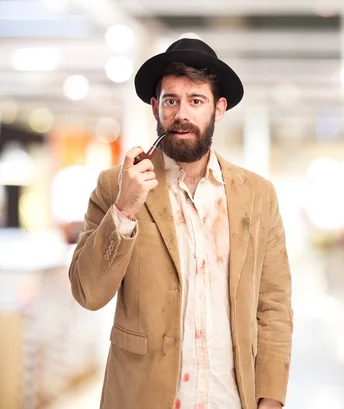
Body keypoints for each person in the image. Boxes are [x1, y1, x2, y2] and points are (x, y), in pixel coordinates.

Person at [68, 38, 293, 409]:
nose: (182, 114)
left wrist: (270, 398)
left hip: (230, 397)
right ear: (156, 107)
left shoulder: (257, 194)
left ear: (218, 109)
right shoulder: (115, 186)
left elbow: (274, 305)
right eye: (171, 100)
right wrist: (124, 209)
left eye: (196, 101)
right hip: (143, 397)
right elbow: (88, 293)